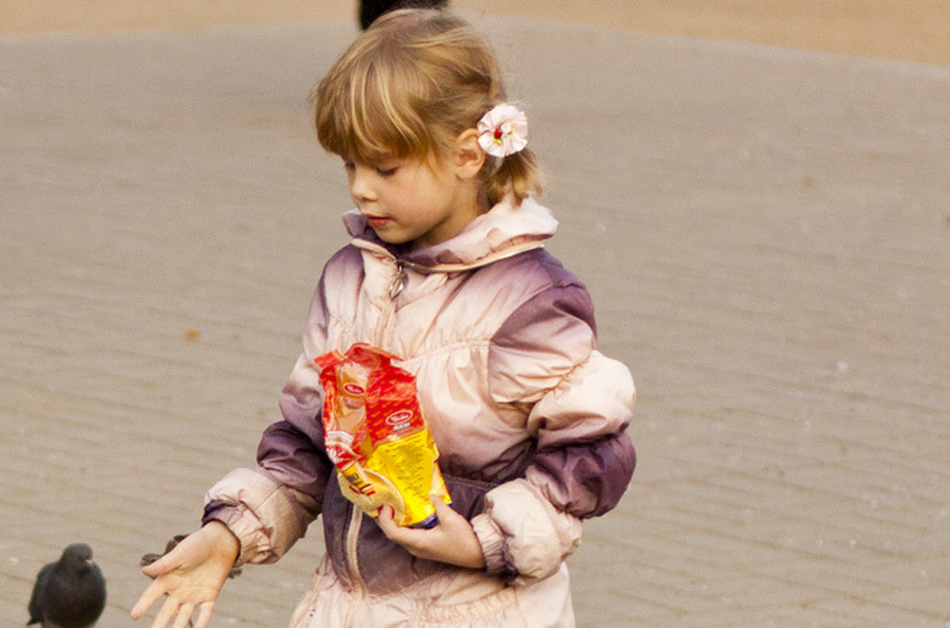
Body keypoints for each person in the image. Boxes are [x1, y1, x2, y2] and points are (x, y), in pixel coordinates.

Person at [131, 9, 635, 628]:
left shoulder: (531, 298)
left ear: (468, 155)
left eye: (385, 168)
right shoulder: (349, 278)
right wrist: (232, 533)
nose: (362, 190)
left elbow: (591, 455)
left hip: (480, 611)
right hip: (348, 608)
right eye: (350, 166)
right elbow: (312, 442)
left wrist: (483, 540)